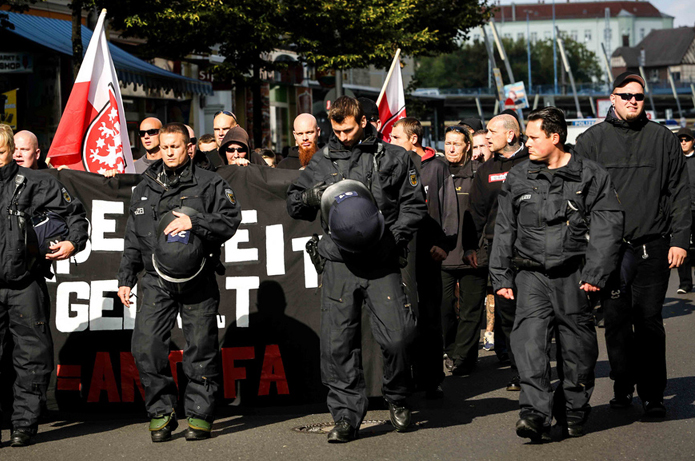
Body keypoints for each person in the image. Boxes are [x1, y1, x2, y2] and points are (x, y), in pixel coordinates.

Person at [287, 96, 427, 443]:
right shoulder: (322, 160)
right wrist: (310, 197)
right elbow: (293, 201)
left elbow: (414, 207)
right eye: (336, 130)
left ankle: (397, 396)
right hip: (339, 262)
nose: (342, 136)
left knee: (398, 337)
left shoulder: (394, 158)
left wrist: (393, 238)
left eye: (348, 129)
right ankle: (346, 416)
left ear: (364, 121)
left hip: (382, 260)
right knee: (338, 345)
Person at [490, 107, 623, 441]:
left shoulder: (591, 175)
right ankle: (534, 413)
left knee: (578, 352)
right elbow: (504, 228)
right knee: (528, 345)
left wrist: (595, 273)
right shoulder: (518, 176)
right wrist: (501, 276)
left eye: (534, 137)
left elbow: (608, 226)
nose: (527, 143)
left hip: (574, 275)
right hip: (530, 275)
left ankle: (574, 410)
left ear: (555, 137)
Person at [573, 72, 691, 417]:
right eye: (625, 95)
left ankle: (653, 394)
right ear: (612, 98)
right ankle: (623, 386)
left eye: (638, 96)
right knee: (616, 320)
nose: (632, 101)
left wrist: (680, 240)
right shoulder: (591, 141)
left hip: (653, 244)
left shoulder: (663, 139)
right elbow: (578, 198)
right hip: (609, 249)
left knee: (650, 320)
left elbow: (679, 193)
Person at [117, 123, 241, 442]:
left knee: (200, 347)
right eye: (164, 147)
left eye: (176, 146)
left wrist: (194, 221)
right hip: (155, 280)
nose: (169, 152)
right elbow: (133, 236)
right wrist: (125, 278)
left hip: (198, 278)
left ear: (189, 148)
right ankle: (162, 411)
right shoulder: (145, 187)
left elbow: (231, 221)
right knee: (145, 346)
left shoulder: (210, 182)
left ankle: (199, 414)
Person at [0, 124, 89, 447]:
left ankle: (24, 423)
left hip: (26, 283)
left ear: (11, 152)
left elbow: (76, 216)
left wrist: (72, 243)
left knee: (31, 359)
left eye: (0, 152)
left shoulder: (39, 182)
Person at [390, 117, 458, 398]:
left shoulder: (437, 167)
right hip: (401, 253)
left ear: (413, 139)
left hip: (429, 253)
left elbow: (450, 208)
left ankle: (431, 378)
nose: (390, 142)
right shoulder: (391, 166)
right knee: (401, 317)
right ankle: (404, 377)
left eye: (395, 138)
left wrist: (445, 244)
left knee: (430, 316)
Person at [465, 113, 529, 392]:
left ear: (511, 135)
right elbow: (475, 213)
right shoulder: (485, 170)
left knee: (535, 314)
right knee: (510, 315)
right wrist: (470, 246)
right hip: (499, 253)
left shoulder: (532, 162)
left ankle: (539, 367)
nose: (486, 136)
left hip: (533, 251)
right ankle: (519, 372)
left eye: (491, 131)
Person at [439, 125, 488, 376]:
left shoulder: (478, 173)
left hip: (472, 253)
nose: (451, 148)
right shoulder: (437, 172)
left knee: (471, 310)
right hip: (444, 256)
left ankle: (462, 357)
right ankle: (453, 350)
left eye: (457, 143)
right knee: (444, 307)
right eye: (448, 143)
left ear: (467, 146)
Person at [676, 127, 695, 294]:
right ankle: (685, 283)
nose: (683, 142)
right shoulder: (674, 162)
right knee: (682, 247)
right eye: (680, 140)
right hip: (682, 211)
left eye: (686, 139)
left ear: (693, 141)